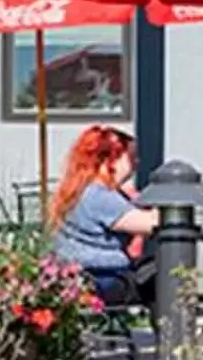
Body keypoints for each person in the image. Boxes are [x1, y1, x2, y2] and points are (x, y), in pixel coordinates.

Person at [45, 125, 157, 307]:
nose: (137, 163)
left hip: (75, 276)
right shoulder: (100, 195)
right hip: (102, 279)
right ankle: (169, 329)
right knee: (163, 274)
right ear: (110, 160)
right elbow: (151, 224)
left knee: (146, 265)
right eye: (130, 158)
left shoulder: (77, 190)